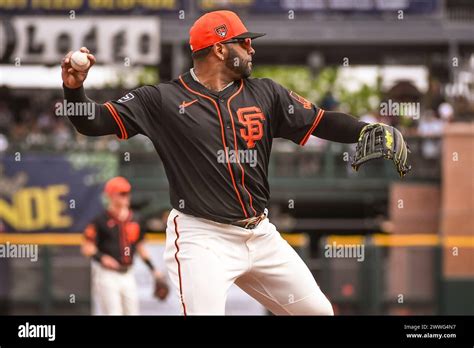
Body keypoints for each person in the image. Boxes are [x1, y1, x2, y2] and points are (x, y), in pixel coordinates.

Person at [62, 10, 407, 315]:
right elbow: (92, 122)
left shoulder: (266, 93)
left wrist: (367, 130)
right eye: (244, 42)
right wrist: (74, 90)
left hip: (260, 233)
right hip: (202, 236)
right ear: (219, 48)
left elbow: (321, 120)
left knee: (318, 312)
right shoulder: (161, 100)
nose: (252, 48)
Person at [81, 176, 168, 315]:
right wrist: (102, 258)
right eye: (121, 193)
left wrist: (154, 270)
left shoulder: (136, 219)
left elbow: (140, 247)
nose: (126, 196)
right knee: (113, 313)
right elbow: (87, 246)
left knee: (132, 313)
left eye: (127, 193)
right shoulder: (100, 220)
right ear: (110, 196)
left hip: (128, 274)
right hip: (107, 274)